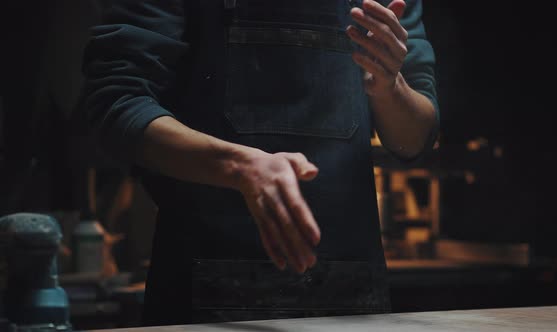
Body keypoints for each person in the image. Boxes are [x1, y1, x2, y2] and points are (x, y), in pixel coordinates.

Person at [82, 0, 439, 326]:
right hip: (208, 299)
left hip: (353, 299)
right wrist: (239, 167)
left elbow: (416, 138)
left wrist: (391, 87)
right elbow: (116, 101)